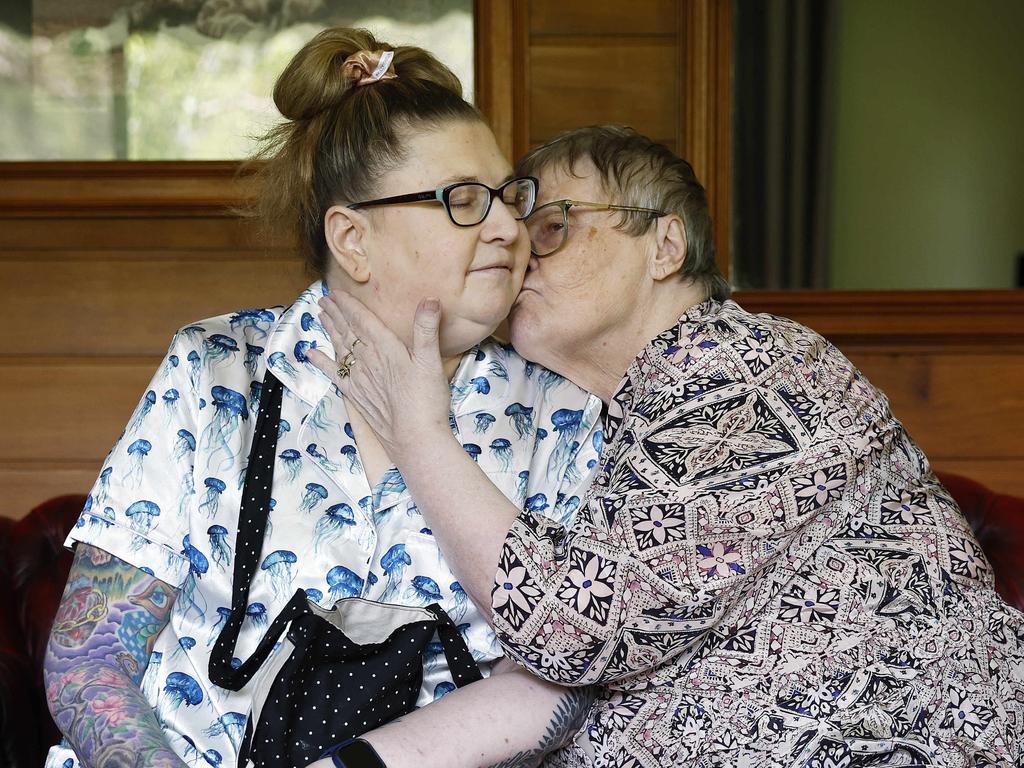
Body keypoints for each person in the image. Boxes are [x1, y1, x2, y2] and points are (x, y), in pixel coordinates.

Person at [310, 124, 1024, 766]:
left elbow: (572, 624)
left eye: (553, 227)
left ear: (666, 246)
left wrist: (418, 432)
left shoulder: (753, 373)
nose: (521, 255)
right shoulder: (625, 414)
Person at [43, 29, 604, 768]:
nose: (508, 226)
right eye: (463, 200)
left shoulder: (560, 416)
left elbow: (569, 676)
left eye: (510, 197)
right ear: (353, 238)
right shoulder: (218, 373)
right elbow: (91, 657)